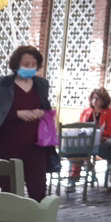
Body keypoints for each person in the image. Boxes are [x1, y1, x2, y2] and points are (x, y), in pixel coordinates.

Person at [0, 46, 51, 201]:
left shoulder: (41, 85)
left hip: (36, 146)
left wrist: (41, 112)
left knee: (38, 191)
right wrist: (17, 114)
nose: (29, 67)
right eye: (26, 64)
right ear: (17, 64)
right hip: (9, 146)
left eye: (33, 64)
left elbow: (47, 109)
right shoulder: (4, 85)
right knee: (10, 192)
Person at [68, 87, 111, 191]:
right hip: (86, 139)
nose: (94, 101)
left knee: (81, 150)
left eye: (97, 98)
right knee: (75, 149)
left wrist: (98, 134)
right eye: (93, 98)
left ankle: (84, 167)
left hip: (101, 139)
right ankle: (73, 180)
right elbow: (80, 126)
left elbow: (109, 131)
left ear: (103, 100)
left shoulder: (109, 112)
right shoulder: (86, 111)